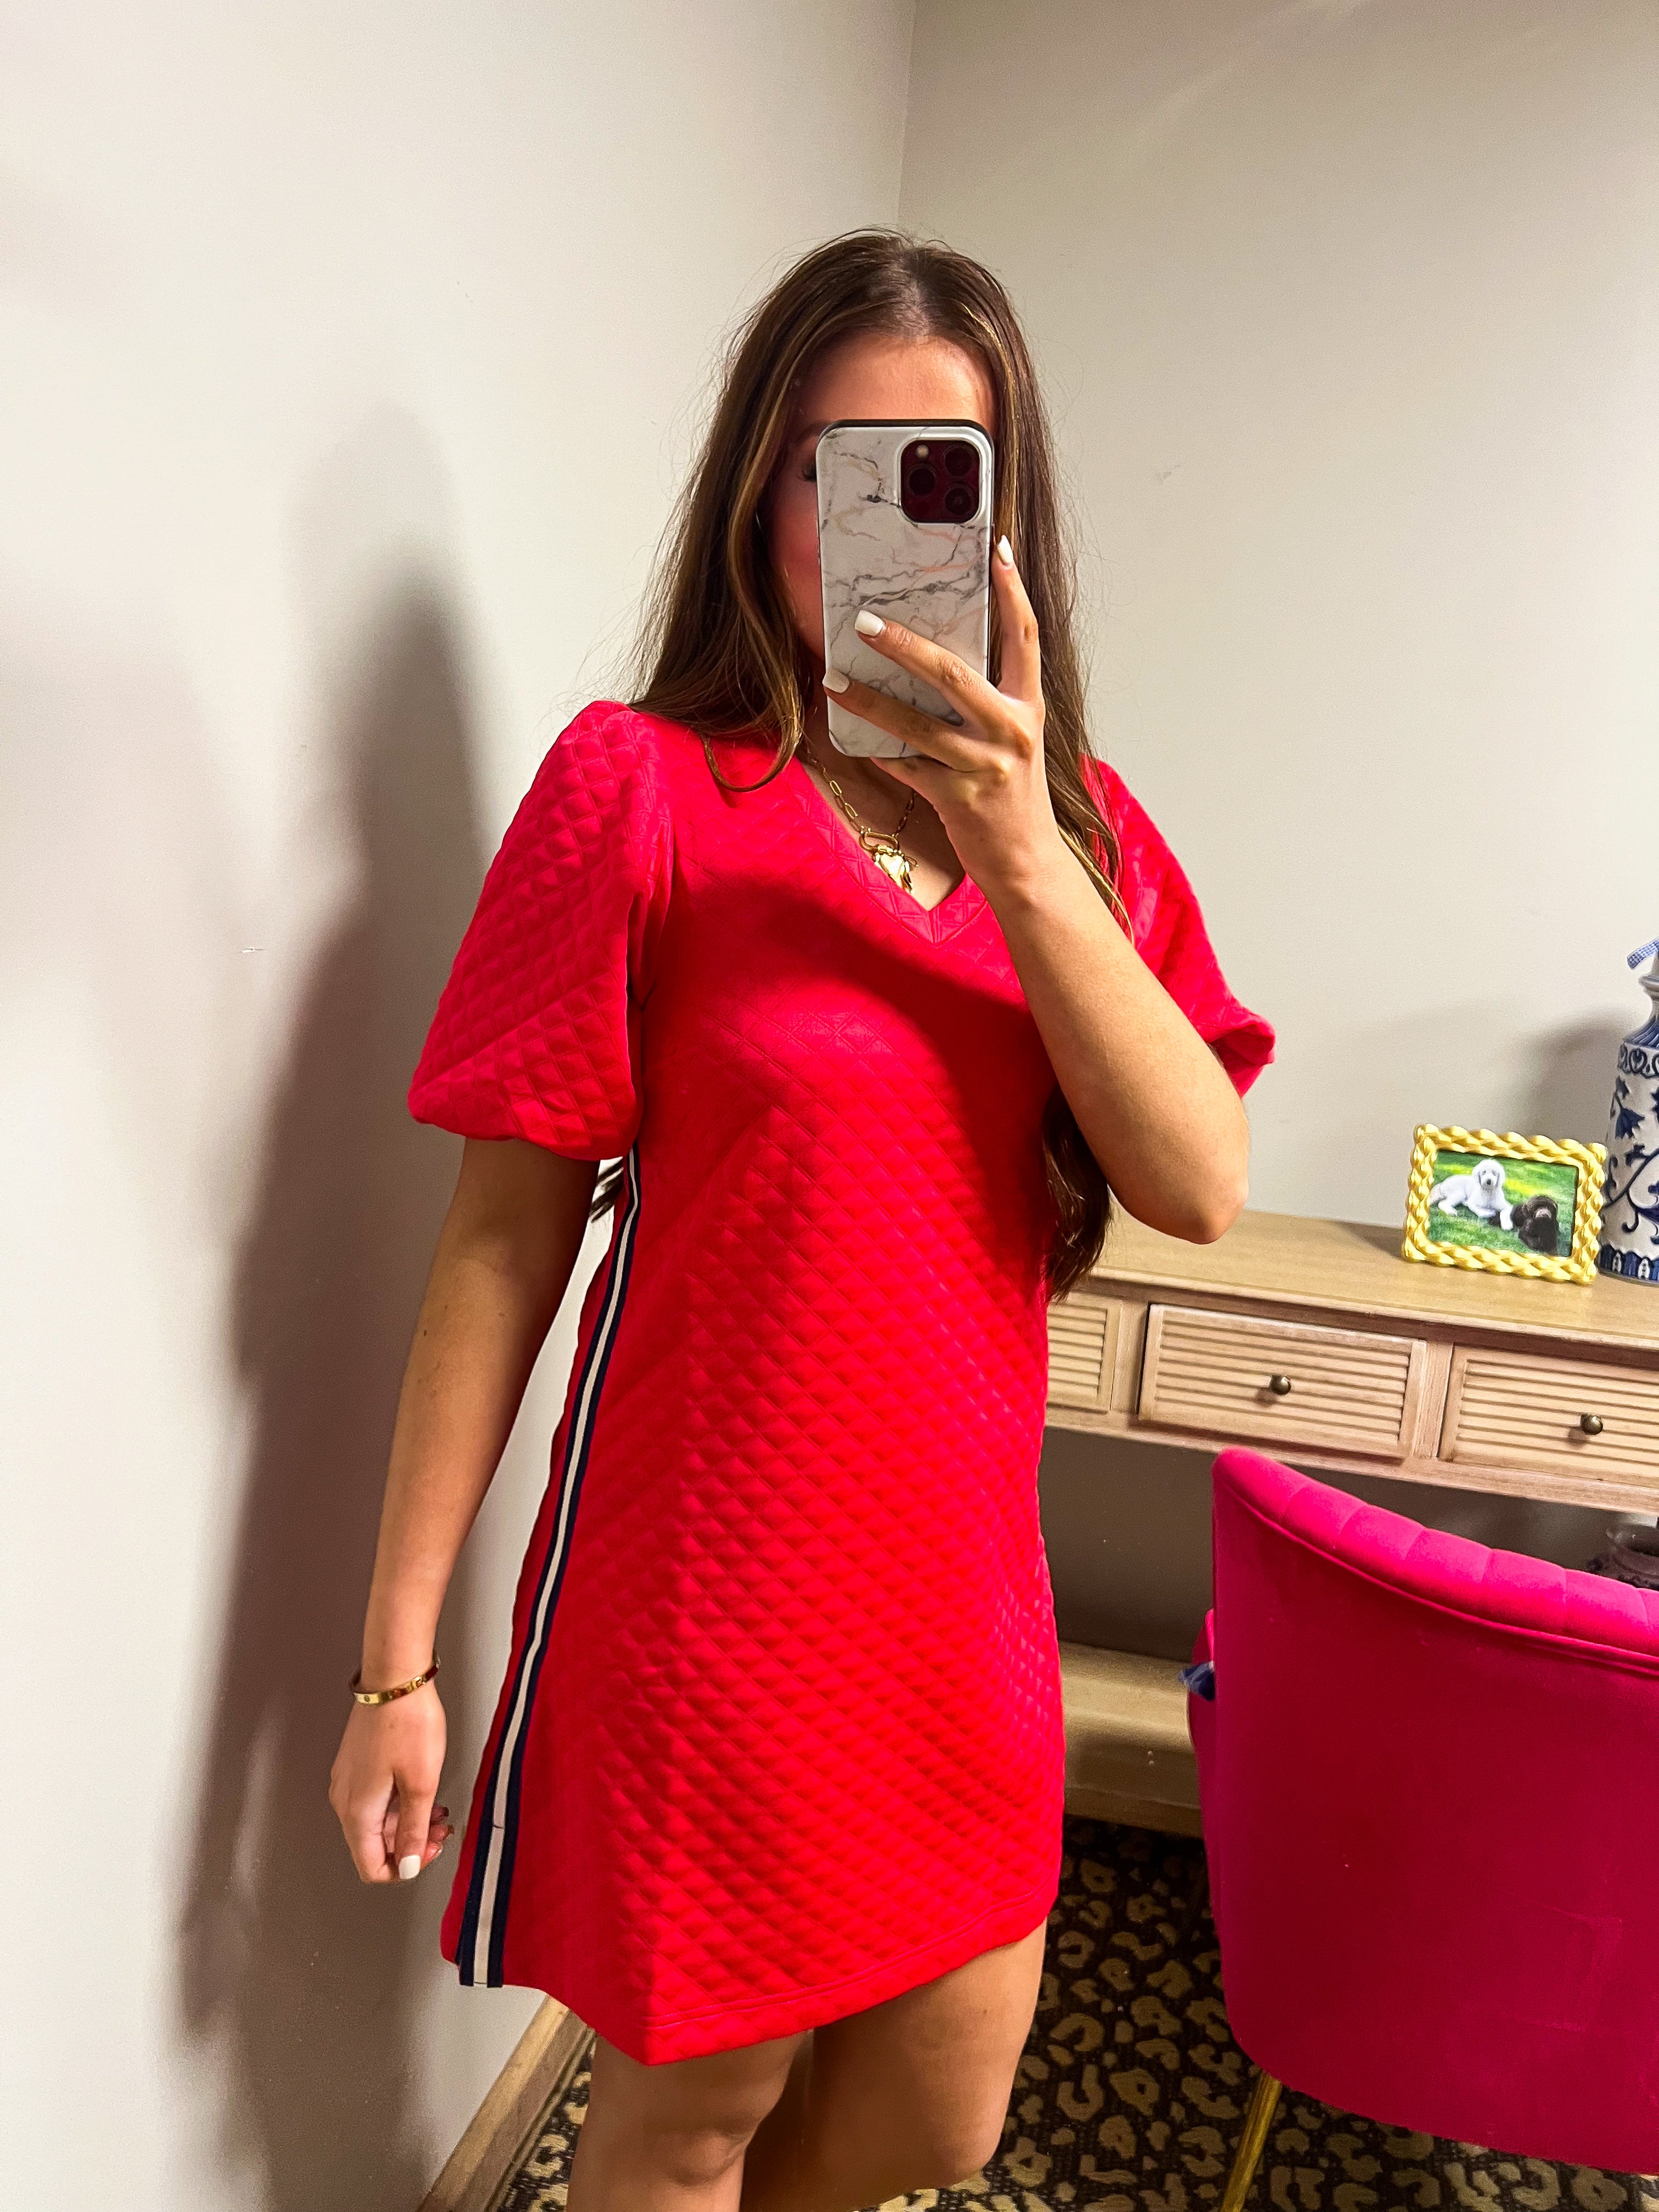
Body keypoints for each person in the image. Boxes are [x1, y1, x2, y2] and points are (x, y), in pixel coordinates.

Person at [329, 229, 1273, 2212]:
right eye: (832, 472)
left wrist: (1016, 839)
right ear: (759, 494)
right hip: (710, 1612)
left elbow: (1196, 1180)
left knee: (943, 2121)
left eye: (938, 477)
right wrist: (396, 1665)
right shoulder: (642, 789)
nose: (877, 531)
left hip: (960, 1620)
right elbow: (501, 1250)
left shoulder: (1085, 838)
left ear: (1005, 525)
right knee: (686, 2132)